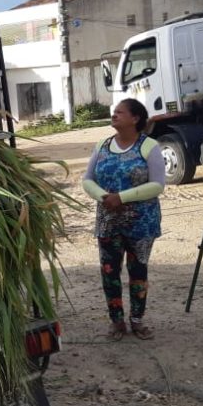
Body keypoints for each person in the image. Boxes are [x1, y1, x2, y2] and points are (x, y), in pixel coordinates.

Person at [82, 99, 166, 341]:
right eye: (114, 112)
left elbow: (157, 184)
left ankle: (137, 320)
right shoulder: (103, 145)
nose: (114, 115)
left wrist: (123, 197)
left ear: (135, 118)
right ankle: (116, 321)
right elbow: (87, 179)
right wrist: (104, 197)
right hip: (108, 221)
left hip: (141, 222)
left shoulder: (149, 147)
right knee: (109, 271)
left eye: (120, 112)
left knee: (138, 271)